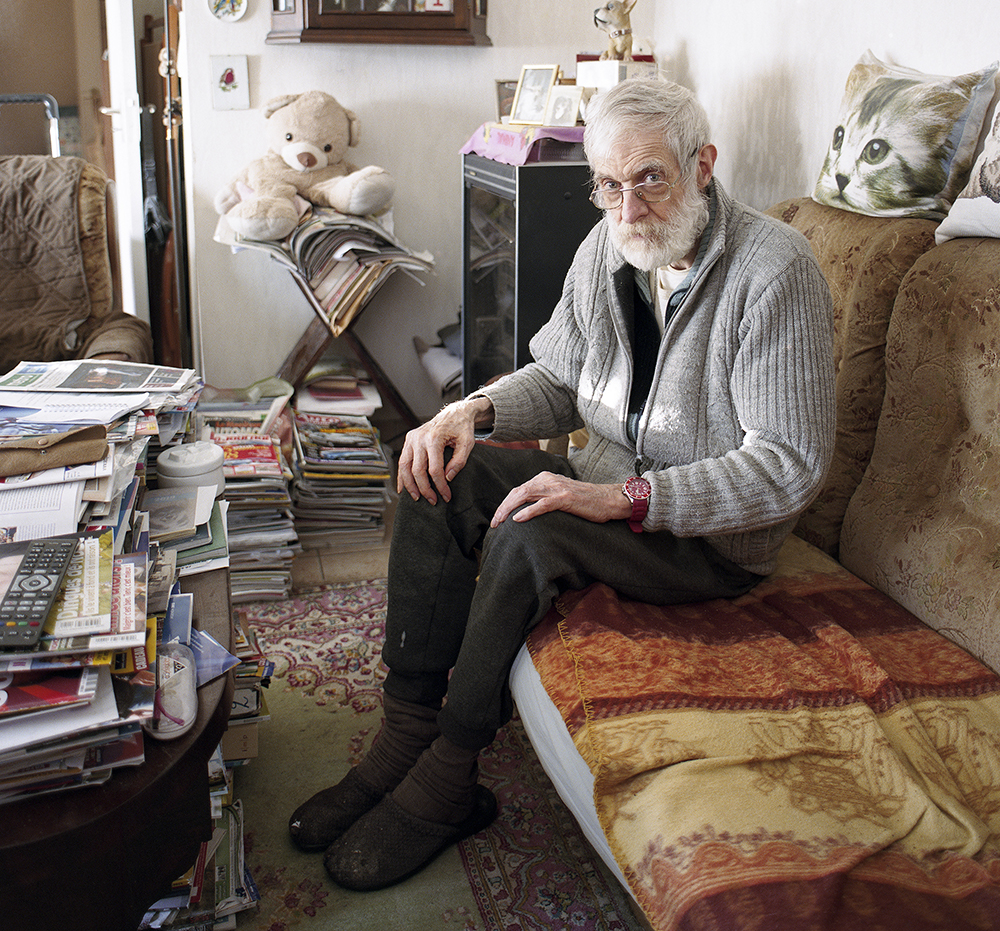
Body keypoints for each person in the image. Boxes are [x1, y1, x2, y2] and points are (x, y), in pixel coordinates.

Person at [289, 77, 837, 891]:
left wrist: (625, 499)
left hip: (706, 542)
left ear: (703, 165)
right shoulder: (605, 246)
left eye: (649, 177)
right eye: (608, 185)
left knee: (530, 527)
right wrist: (469, 412)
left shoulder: (773, 271)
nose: (628, 207)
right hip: (609, 493)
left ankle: (450, 774)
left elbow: (789, 463)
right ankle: (404, 731)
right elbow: (560, 377)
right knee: (439, 468)